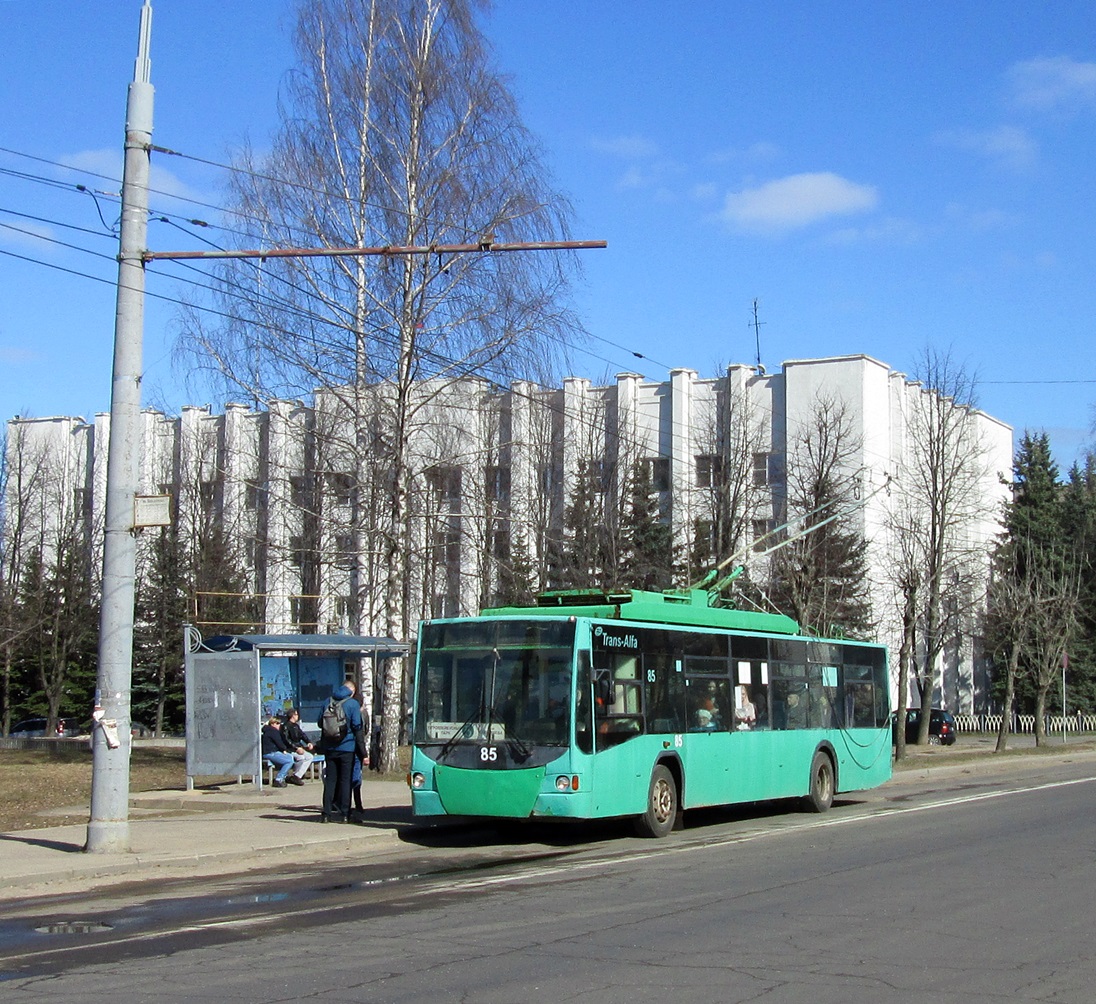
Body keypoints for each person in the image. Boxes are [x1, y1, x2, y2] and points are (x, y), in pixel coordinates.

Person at [317, 679, 367, 823]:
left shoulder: (328, 701)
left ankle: (326, 813)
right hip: (347, 747)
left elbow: (320, 722)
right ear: (351, 692)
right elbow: (358, 727)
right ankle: (345, 814)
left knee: (330, 780)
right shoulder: (352, 704)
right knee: (346, 780)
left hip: (330, 748)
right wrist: (363, 752)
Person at [260, 717, 305, 787]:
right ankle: (279, 779)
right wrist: (284, 750)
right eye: (277, 723)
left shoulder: (267, 730)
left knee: (289, 757)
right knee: (289, 760)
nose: (279, 725)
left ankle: (284, 777)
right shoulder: (272, 731)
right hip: (270, 752)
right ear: (272, 724)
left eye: (279, 723)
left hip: (269, 752)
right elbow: (279, 743)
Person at [282, 708, 317, 779]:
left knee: (309, 757)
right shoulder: (285, 726)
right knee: (301, 758)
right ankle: (295, 776)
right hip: (290, 749)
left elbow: (302, 735)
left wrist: (308, 742)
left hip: (299, 747)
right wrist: (296, 748)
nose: (298, 716)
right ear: (292, 715)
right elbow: (286, 740)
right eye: (296, 714)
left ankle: (297, 776)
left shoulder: (296, 726)